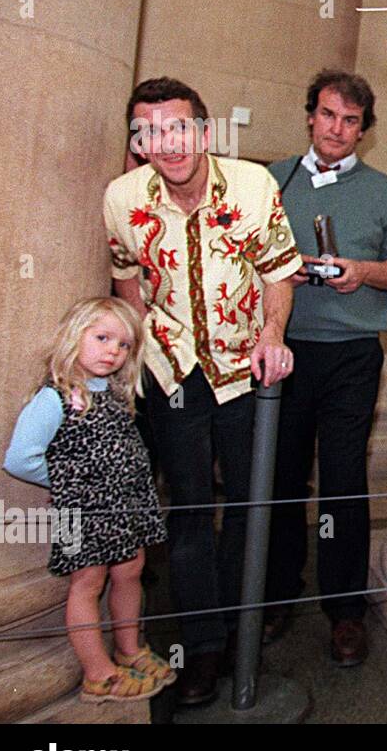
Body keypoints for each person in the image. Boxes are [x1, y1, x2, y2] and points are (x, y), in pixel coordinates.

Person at [105, 77, 301, 706]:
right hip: (172, 374)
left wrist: (272, 334)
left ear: (205, 132)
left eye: (178, 126)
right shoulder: (121, 199)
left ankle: (245, 631)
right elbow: (128, 284)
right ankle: (204, 650)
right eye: (150, 131)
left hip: (245, 373)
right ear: (138, 143)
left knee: (248, 506)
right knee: (189, 513)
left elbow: (278, 274)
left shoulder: (253, 187)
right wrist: (135, 364)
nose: (167, 142)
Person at [263, 71, 387, 666]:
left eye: (351, 120)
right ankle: (275, 594)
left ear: (364, 129)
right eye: (329, 115)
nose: (338, 128)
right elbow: (242, 256)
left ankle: (346, 609)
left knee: (343, 479)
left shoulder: (384, 192)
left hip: (353, 353)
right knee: (279, 478)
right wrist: (284, 272)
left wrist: (363, 271)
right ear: (311, 116)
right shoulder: (272, 181)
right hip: (284, 349)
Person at [3, 298, 173, 703]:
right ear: (73, 335)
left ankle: (129, 648)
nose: (112, 351)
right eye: (102, 338)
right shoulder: (57, 397)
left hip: (122, 504)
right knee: (87, 581)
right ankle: (98, 674)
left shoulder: (115, 391)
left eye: (123, 345)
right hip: (80, 509)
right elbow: (20, 458)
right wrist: (71, 483)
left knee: (131, 568)